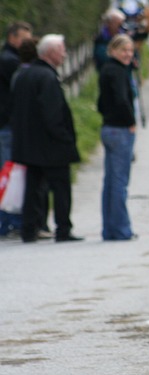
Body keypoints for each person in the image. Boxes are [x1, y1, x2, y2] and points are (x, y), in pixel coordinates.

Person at [11, 34, 83, 243]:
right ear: (51, 53)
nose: (65, 54)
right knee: (60, 188)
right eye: (61, 50)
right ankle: (63, 228)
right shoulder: (48, 77)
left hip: (29, 144)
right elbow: (53, 114)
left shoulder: (24, 74)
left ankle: (29, 229)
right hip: (50, 145)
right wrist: (65, 138)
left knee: (33, 188)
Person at [98, 34, 137, 241]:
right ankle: (122, 230)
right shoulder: (119, 71)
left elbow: (100, 104)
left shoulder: (105, 69)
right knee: (120, 181)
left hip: (108, 128)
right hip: (121, 130)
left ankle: (109, 229)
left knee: (111, 181)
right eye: (123, 50)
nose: (128, 54)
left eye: (130, 50)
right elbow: (122, 100)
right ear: (112, 50)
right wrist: (131, 122)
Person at [0, 21, 32, 237]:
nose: (27, 44)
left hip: (7, 123)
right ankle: (10, 221)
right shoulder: (11, 62)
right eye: (24, 39)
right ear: (13, 37)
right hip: (8, 125)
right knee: (9, 174)